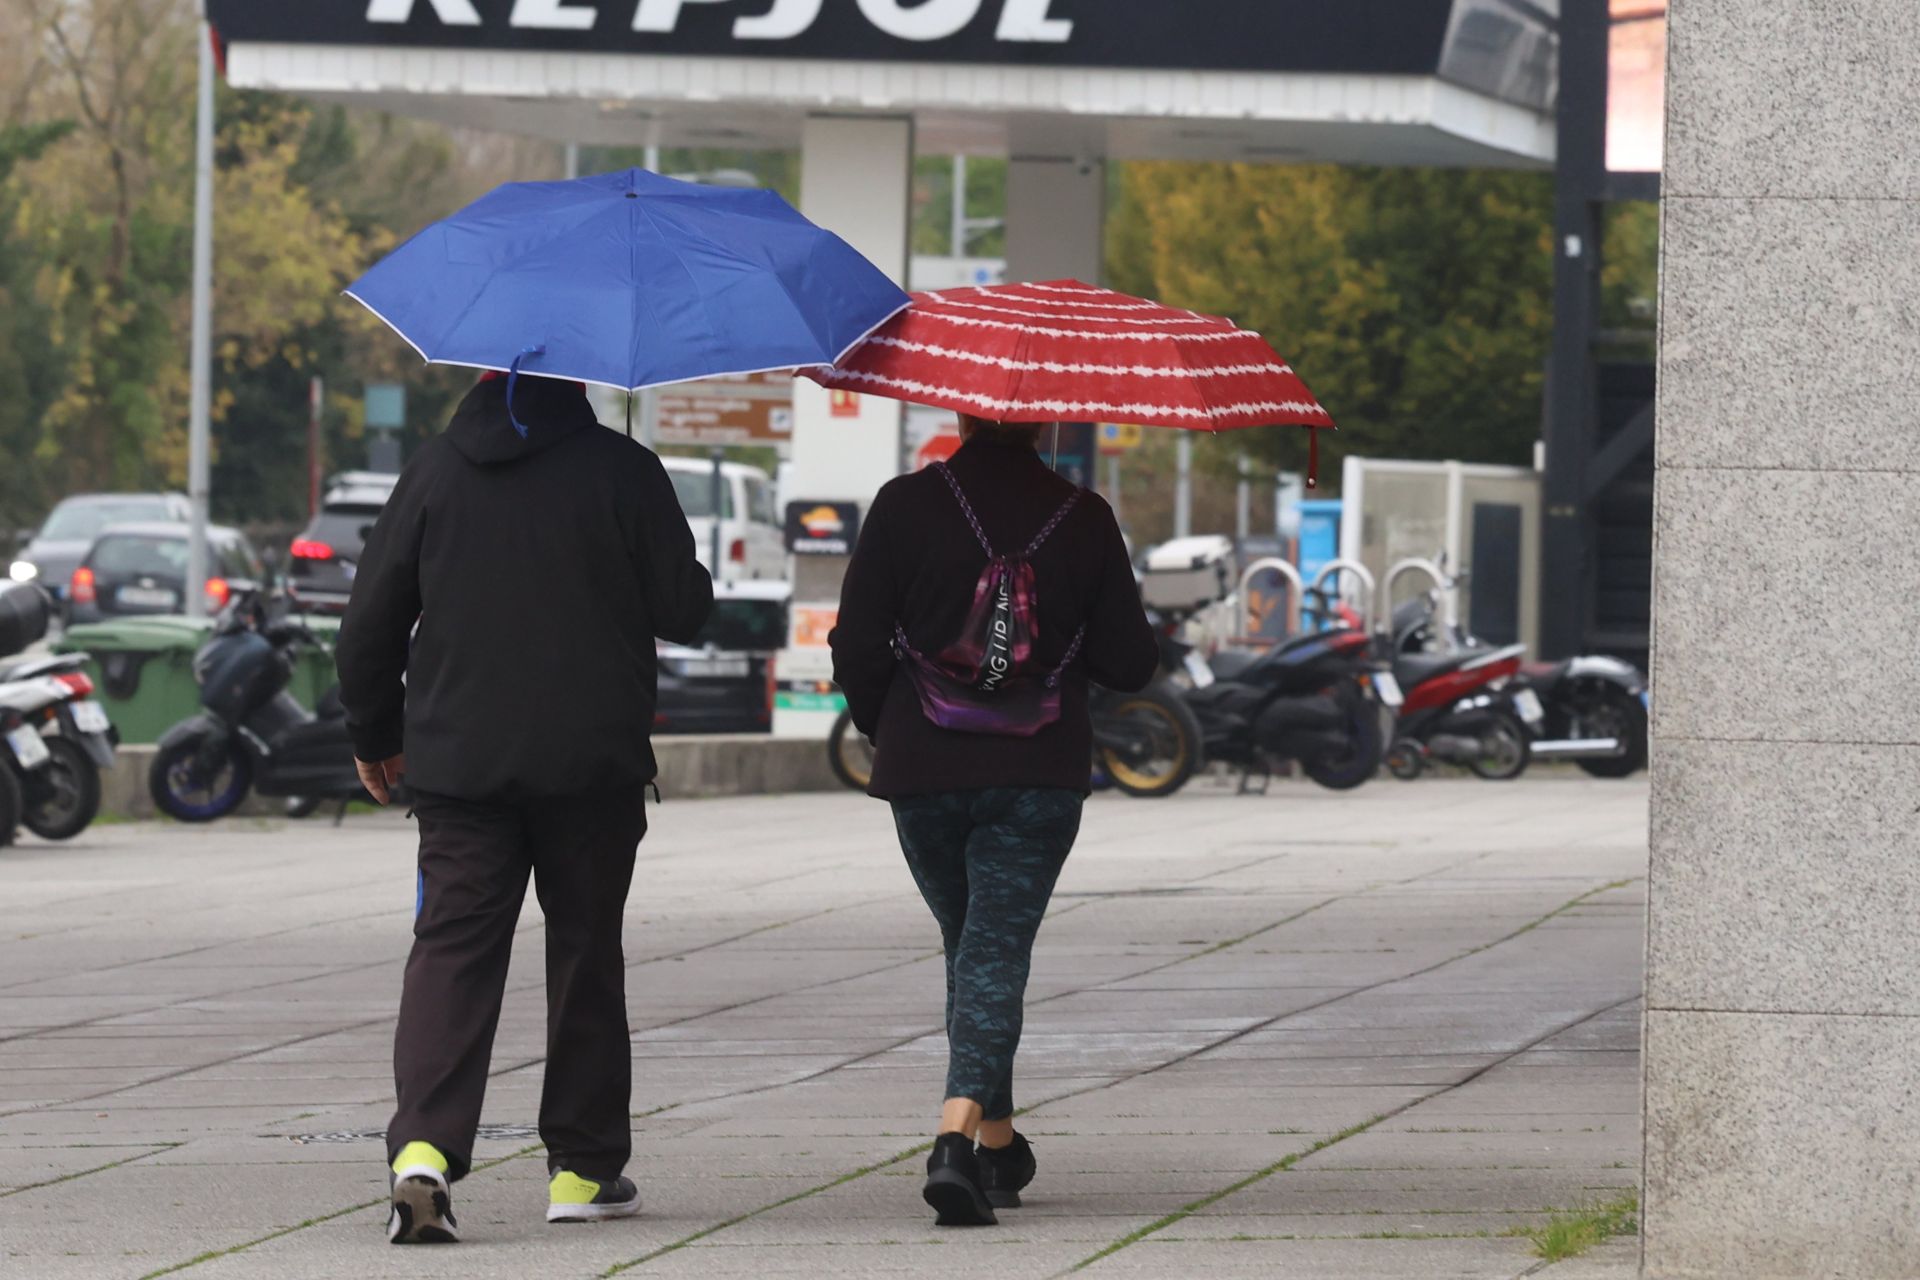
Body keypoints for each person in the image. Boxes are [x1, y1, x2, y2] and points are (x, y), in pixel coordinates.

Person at [336, 372, 712, 1244]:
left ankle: (424, 1149)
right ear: (578, 372)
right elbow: (684, 609)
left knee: (452, 950)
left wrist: (373, 733)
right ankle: (581, 1169)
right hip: (592, 767)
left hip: (461, 769)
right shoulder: (622, 469)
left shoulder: (432, 472)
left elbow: (369, 624)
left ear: (478, 371)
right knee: (585, 952)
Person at [830, 415, 1159, 1226]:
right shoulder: (1082, 515)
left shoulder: (904, 505)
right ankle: (953, 1142)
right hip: (1036, 771)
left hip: (923, 769)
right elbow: (1130, 662)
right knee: (994, 951)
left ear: (959, 413)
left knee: (973, 949)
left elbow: (856, 645)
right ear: (1043, 420)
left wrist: (894, 724)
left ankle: (1001, 1144)